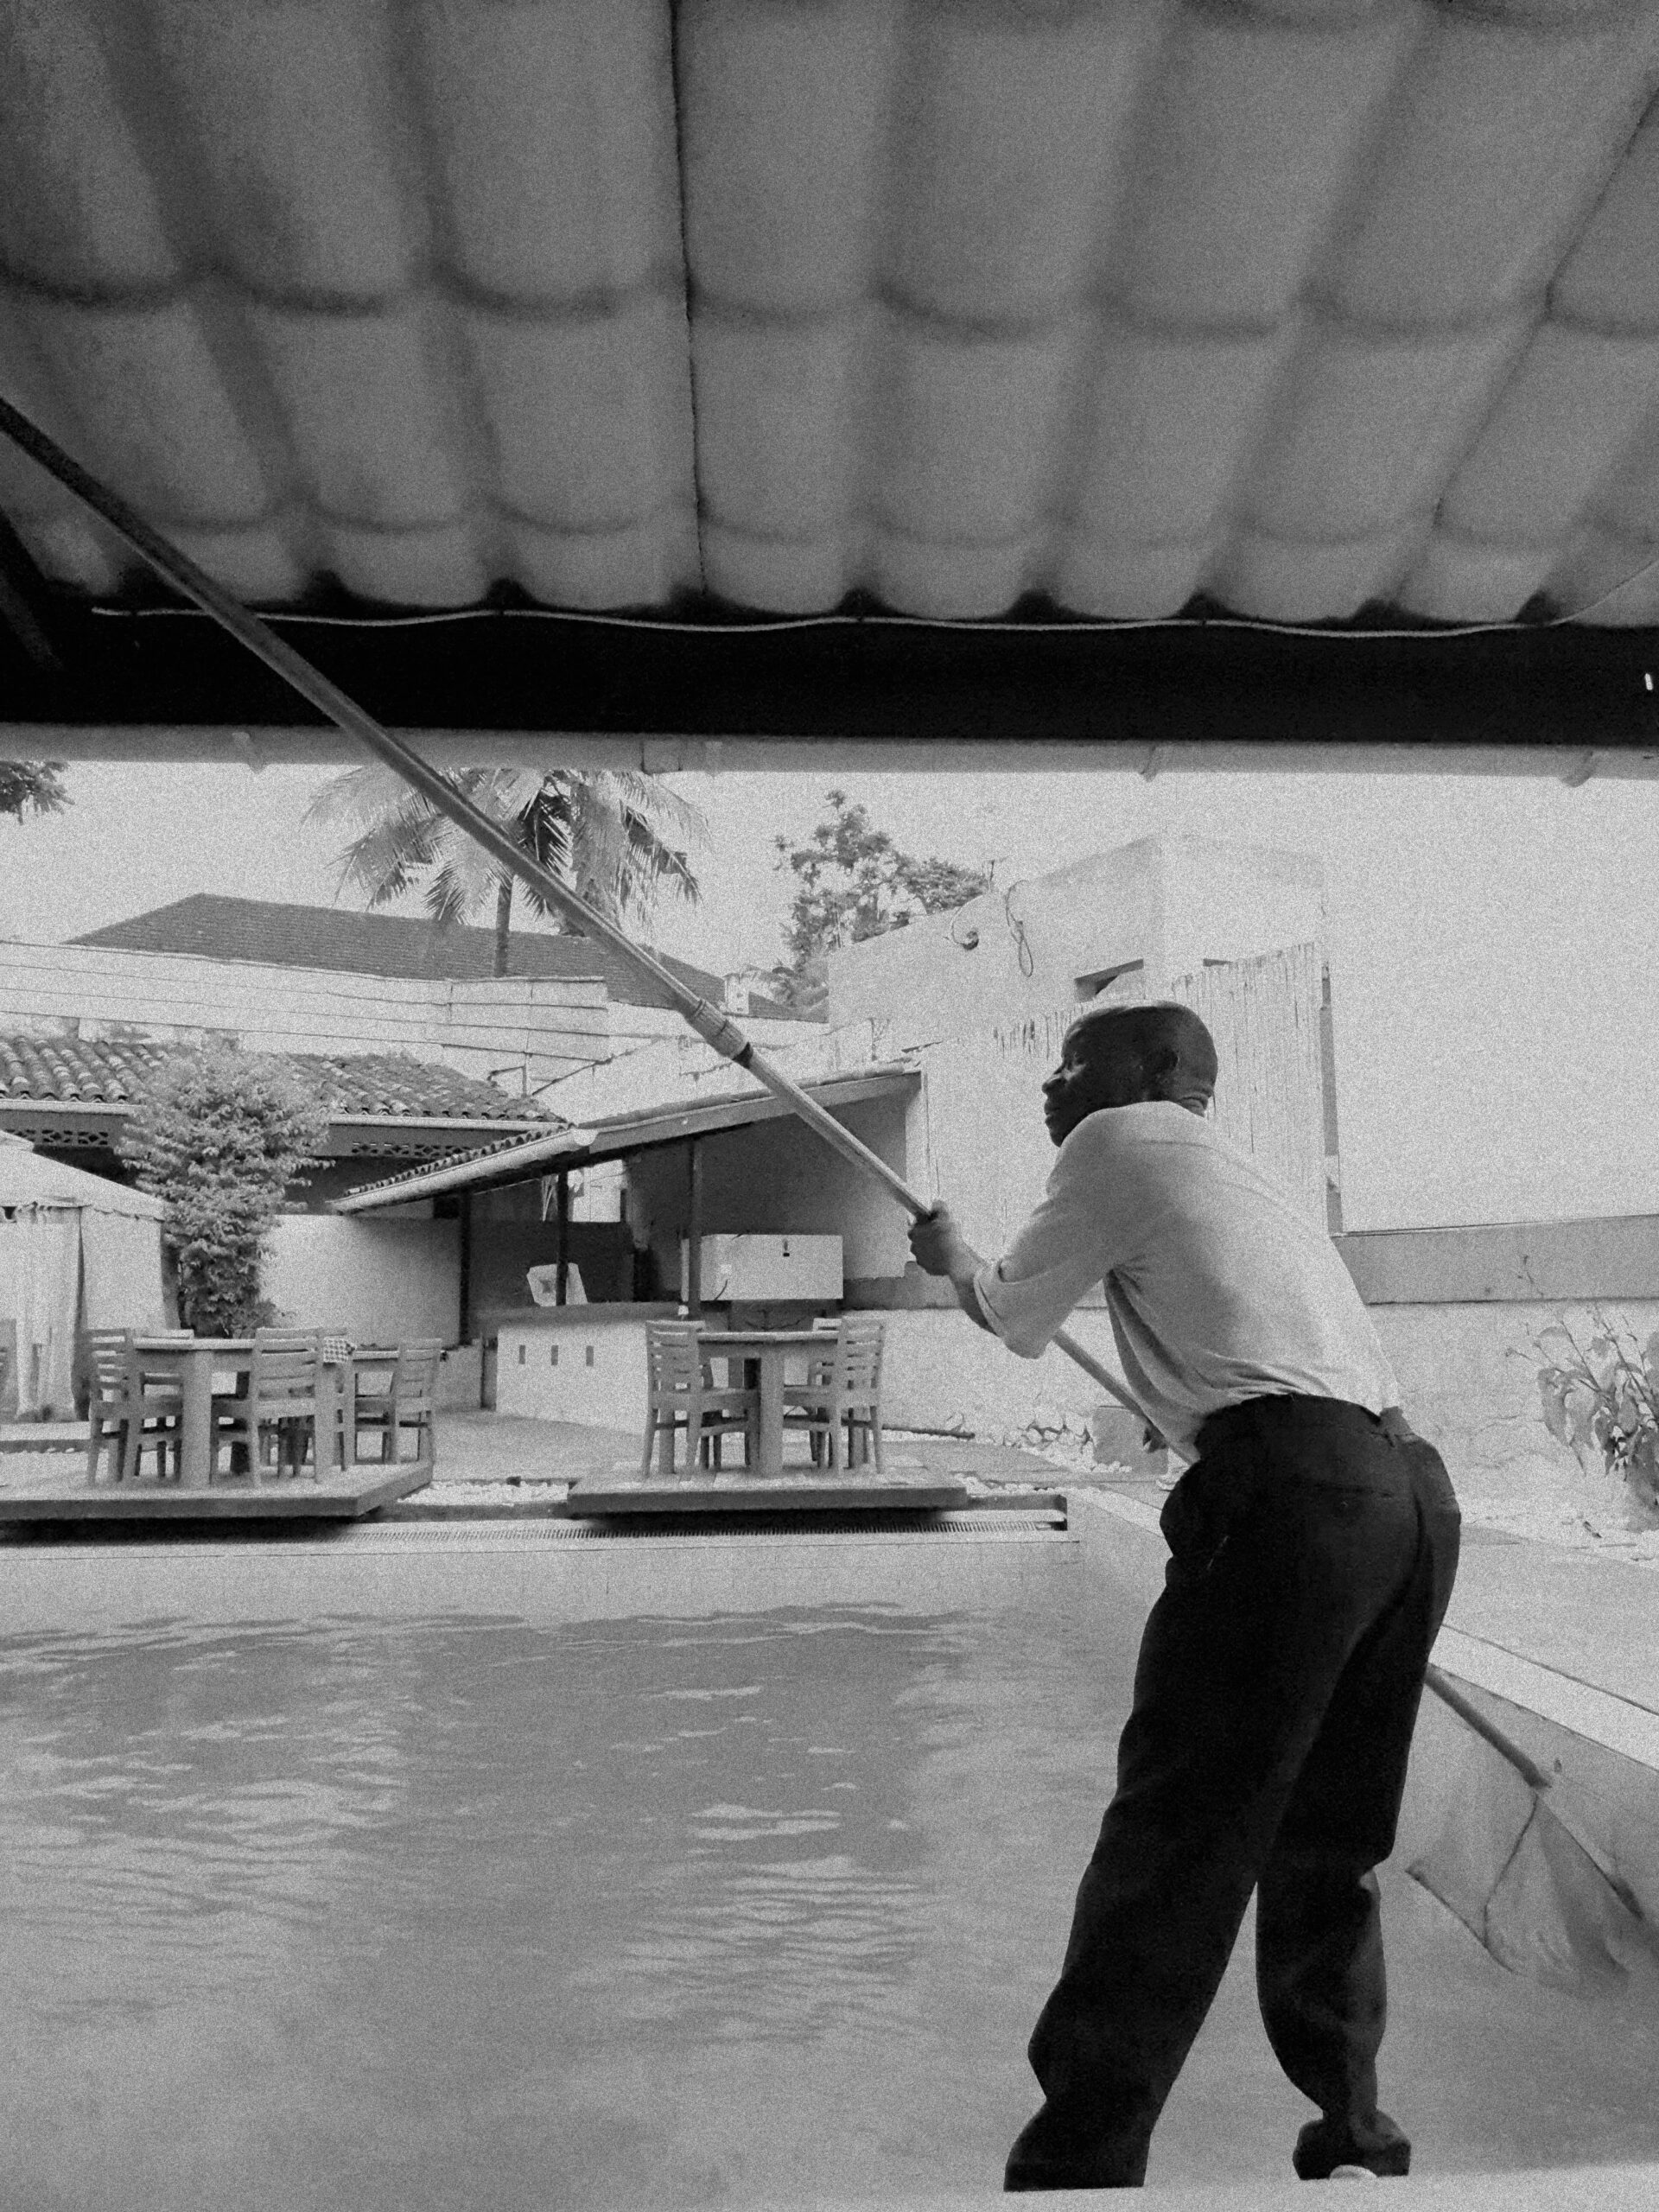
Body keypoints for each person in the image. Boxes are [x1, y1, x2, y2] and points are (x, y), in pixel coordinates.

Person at [908, 1001, 1461, 2190]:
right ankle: (1355, 2138)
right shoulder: (1242, 1173)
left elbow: (1012, 1316)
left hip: (1292, 1489)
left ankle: (1079, 2167)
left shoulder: (1121, 1139)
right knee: (1328, 1843)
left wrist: (955, 1257)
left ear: (1157, 1073)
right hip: (1409, 1493)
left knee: (1177, 1838)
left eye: (1075, 1062)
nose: (1053, 1085)